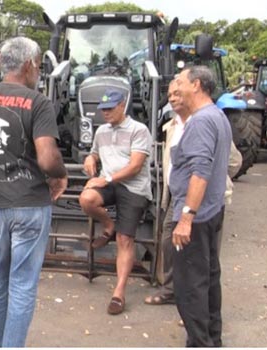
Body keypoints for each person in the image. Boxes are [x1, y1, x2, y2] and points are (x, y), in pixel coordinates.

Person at [0, 36, 67, 347]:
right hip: (31, 205)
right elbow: (48, 158)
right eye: (37, 65)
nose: (37, 72)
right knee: (22, 285)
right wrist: (60, 176)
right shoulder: (38, 103)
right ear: (28, 66)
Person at [145, 80, 242, 306]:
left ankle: (198, 306)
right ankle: (172, 290)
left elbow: (232, 161)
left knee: (202, 257)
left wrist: (213, 182)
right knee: (169, 241)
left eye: (178, 93)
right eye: (169, 95)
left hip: (201, 202)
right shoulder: (171, 126)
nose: (172, 98)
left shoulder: (204, 123)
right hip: (175, 197)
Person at [170, 66, 232, 347]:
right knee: (207, 281)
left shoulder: (202, 121)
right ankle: (212, 341)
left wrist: (186, 217)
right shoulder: (217, 116)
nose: (176, 87)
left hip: (196, 218)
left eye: (180, 82)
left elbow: (201, 169)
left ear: (196, 85)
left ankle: (200, 343)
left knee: (190, 288)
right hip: (211, 213)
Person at [78, 88, 153, 316]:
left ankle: (119, 292)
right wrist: (90, 159)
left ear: (122, 106)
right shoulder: (101, 131)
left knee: (125, 238)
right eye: (103, 109)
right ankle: (108, 225)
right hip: (110, 183)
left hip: (133, 186)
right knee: (86, 198)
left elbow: (135, 167)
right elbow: (94, 153)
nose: (105, 113)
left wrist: (106, 178)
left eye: (110, 108)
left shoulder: (139, 130)